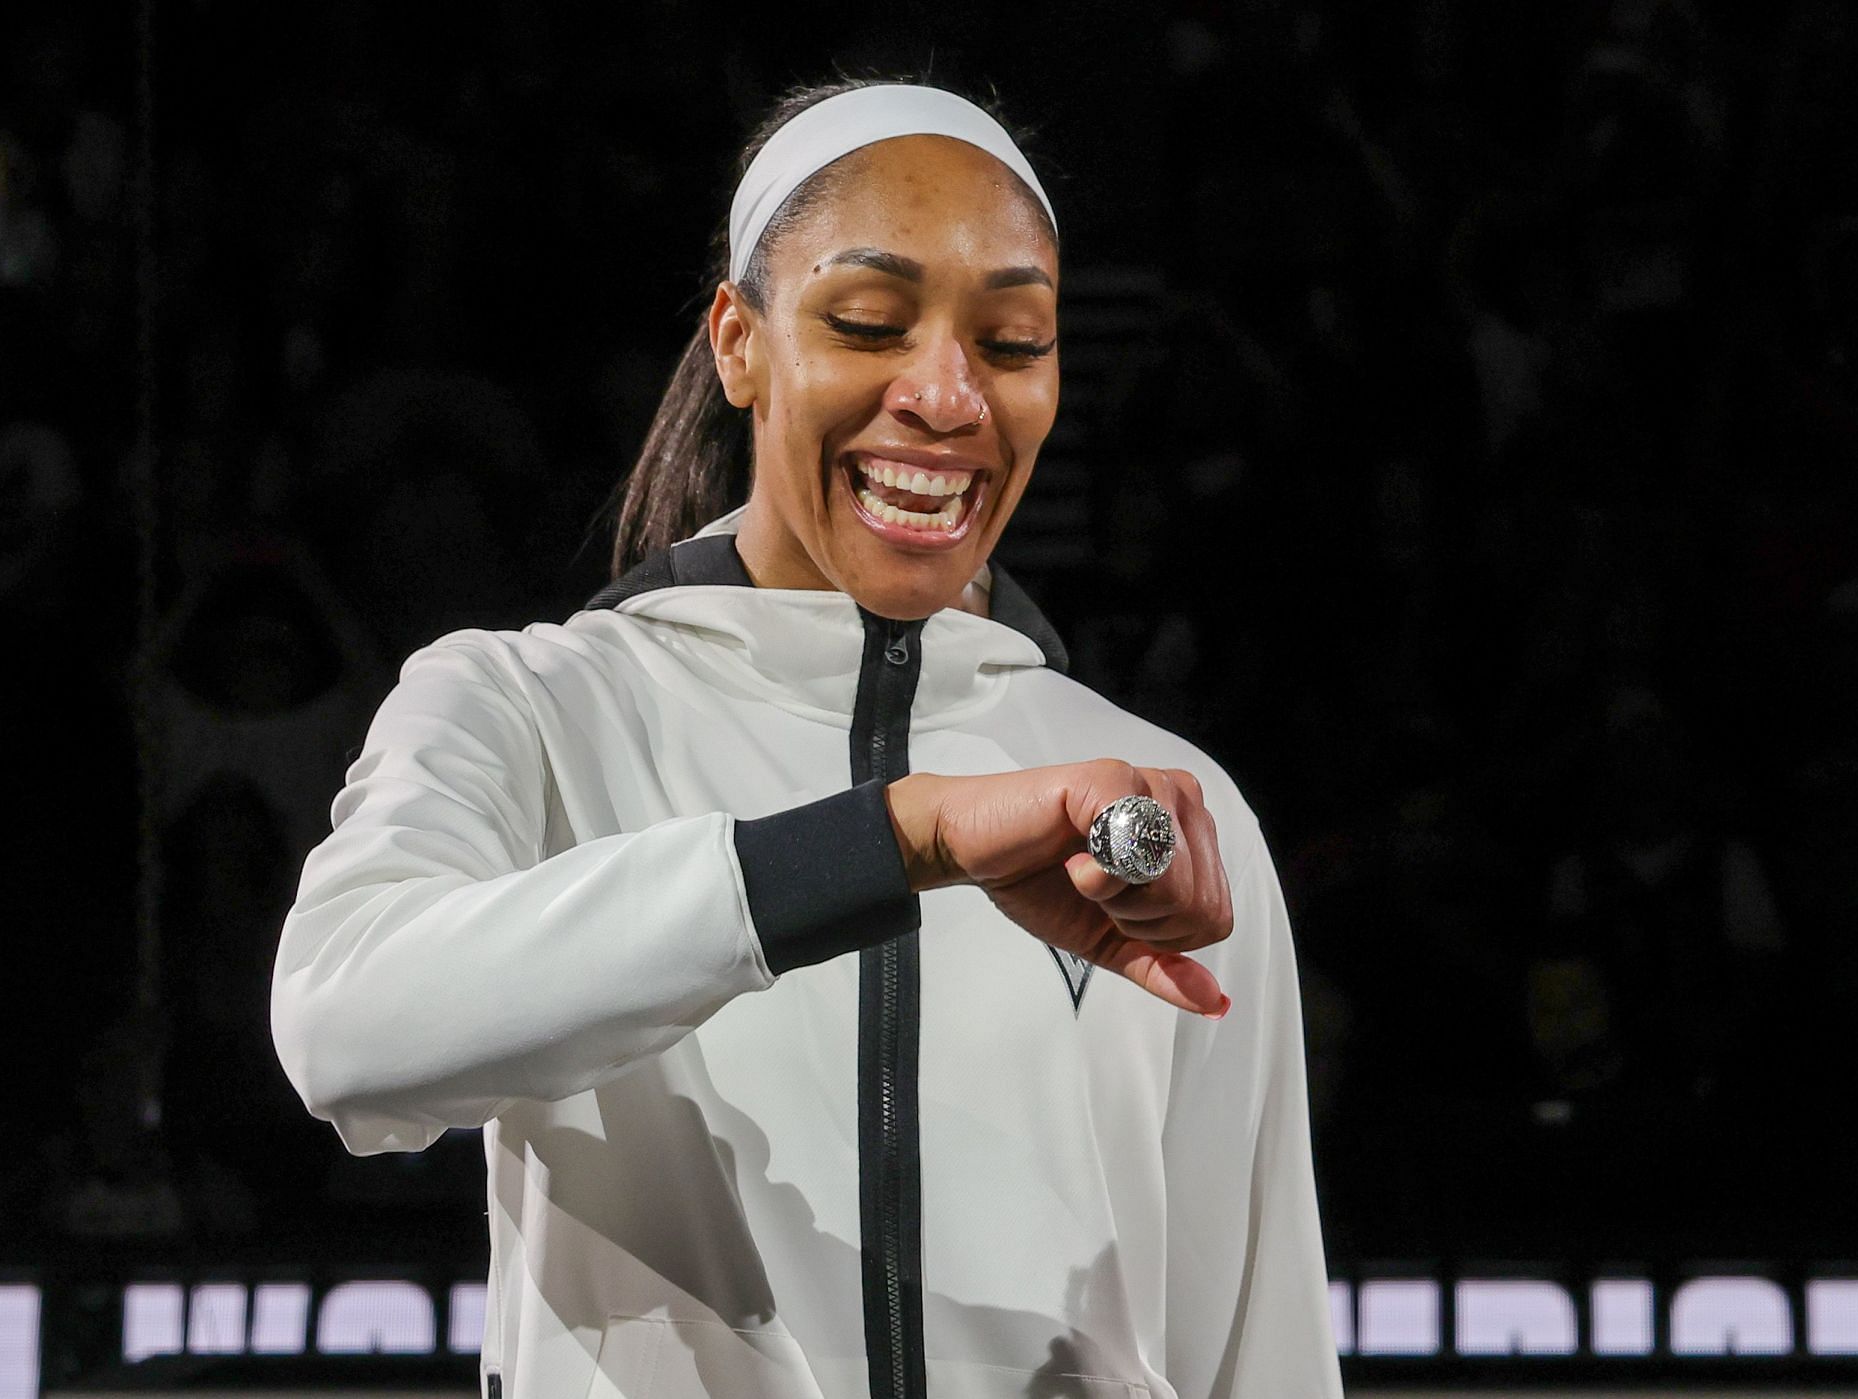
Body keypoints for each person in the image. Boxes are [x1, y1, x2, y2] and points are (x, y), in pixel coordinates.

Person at [270, 75, 1343, 1399]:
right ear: (739, 342)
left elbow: (1259, 1346)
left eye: (1011, 343)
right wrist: (899, 839)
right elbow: (347, 1031)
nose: (948, 397)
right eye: (871, 324)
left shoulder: (1173, 813)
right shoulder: (529, 708)